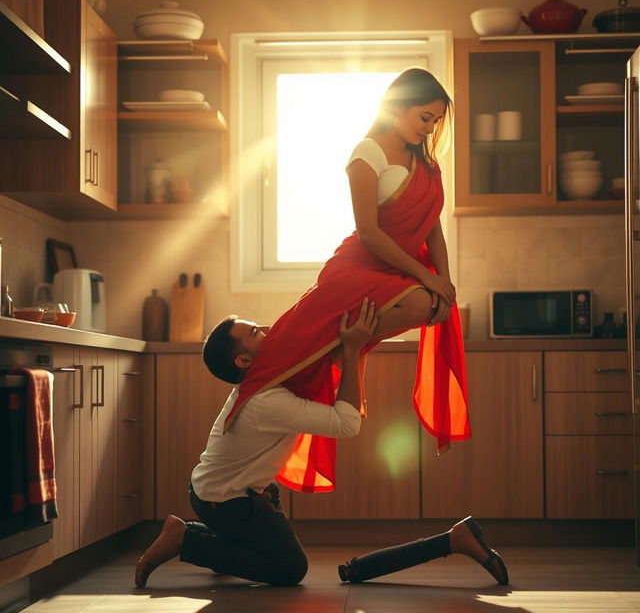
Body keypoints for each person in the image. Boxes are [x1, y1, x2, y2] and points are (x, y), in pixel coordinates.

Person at [135, 304, 508, 588]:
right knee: (289, 571)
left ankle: (201, 537)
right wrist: (351, 350)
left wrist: (350, 345)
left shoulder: (264, 385)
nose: (266, 328)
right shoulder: (266, 401)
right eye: (254, 331)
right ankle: (186, 539)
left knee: (261, 550)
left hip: (221, 492)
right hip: (227, 504)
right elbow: (346, 425)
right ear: (244, 360)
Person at [225, 67, 470, 497]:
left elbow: (433, 230)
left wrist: (443, 280)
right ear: (398, 107)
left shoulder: (426, 163)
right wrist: (423, 276)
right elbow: (371, 233)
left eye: (435, 120)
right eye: (424, 117)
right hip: (359, 266)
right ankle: (338, 349)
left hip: (402, 270)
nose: (429, 128)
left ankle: (340, 347)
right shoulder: (366, 152)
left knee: (437, 308)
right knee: (418, 305)